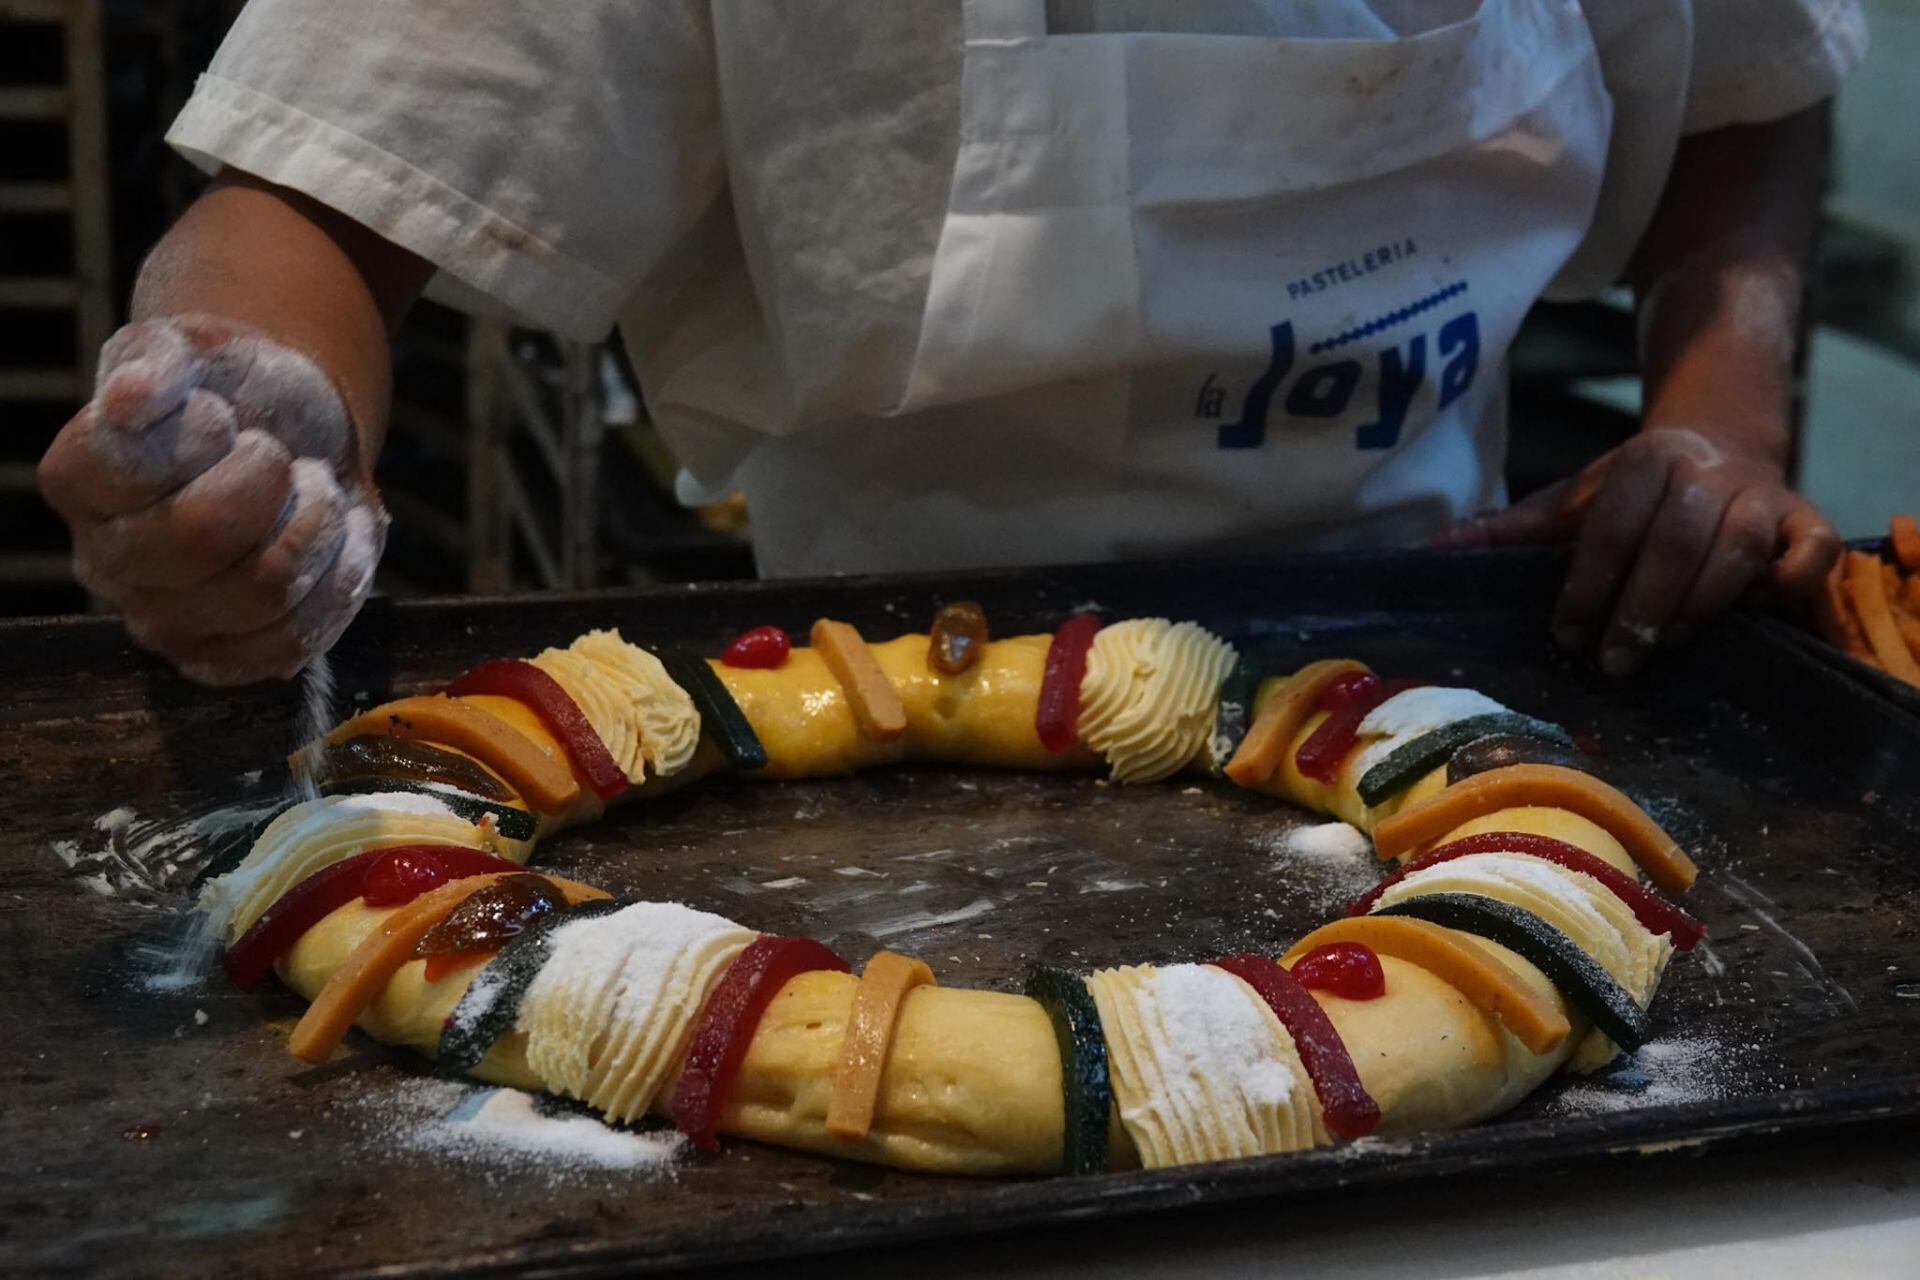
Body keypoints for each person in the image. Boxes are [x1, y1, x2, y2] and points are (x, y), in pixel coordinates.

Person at [37, 0, 1865, 686]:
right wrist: (243, 429)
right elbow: (316, 217)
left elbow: (1752, 83)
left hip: (1475, 653)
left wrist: (1723, 423)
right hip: (867, 676)